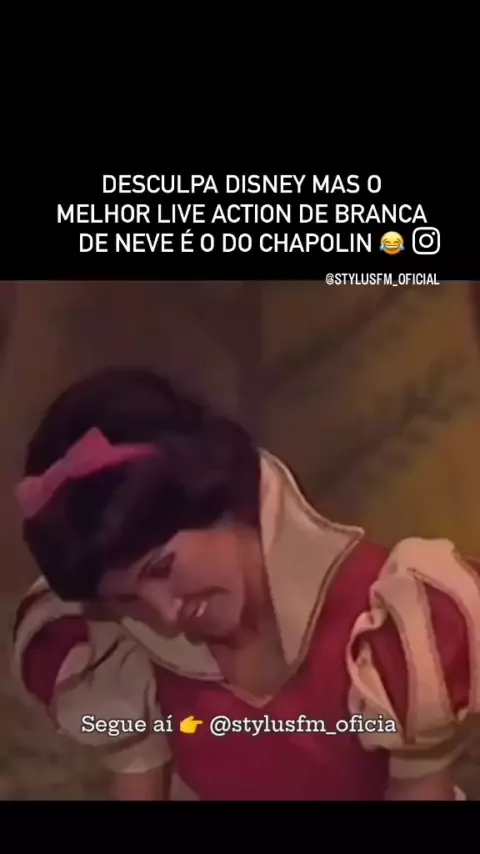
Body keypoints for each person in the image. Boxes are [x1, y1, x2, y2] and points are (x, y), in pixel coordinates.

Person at [11, 368, 480, 801]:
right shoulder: (131, 655)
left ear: (219, 501)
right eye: (129, 600)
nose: (166, 615)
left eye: (162, 568)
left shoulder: (395, 623)